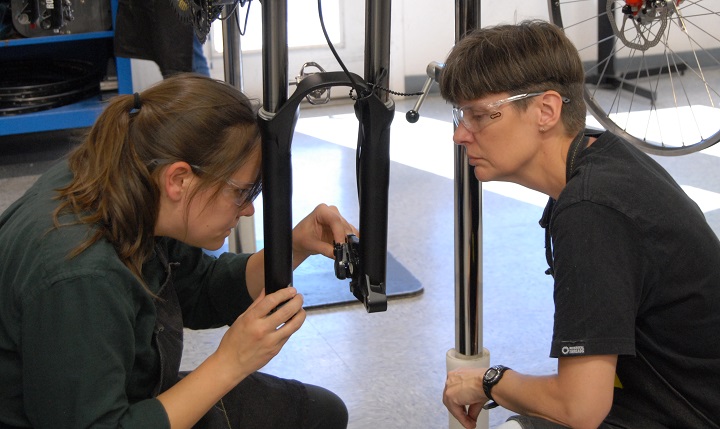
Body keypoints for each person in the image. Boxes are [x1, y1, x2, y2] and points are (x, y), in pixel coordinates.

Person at [0, 73, 353, 428]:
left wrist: (291, 247)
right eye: (241, 193)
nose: (248, 210)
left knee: (318, 412)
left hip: (120, 398)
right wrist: (230, 362)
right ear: (179, 180)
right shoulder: (80, 276)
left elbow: (197, 287)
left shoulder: (127, 180)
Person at [439, 20, 720, 429]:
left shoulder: (591, 210)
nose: (460, 135)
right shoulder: (603, 155)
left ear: (546, 110)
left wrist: (490, 381)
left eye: (480, 115)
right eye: (460, 115)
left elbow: (580, 408)